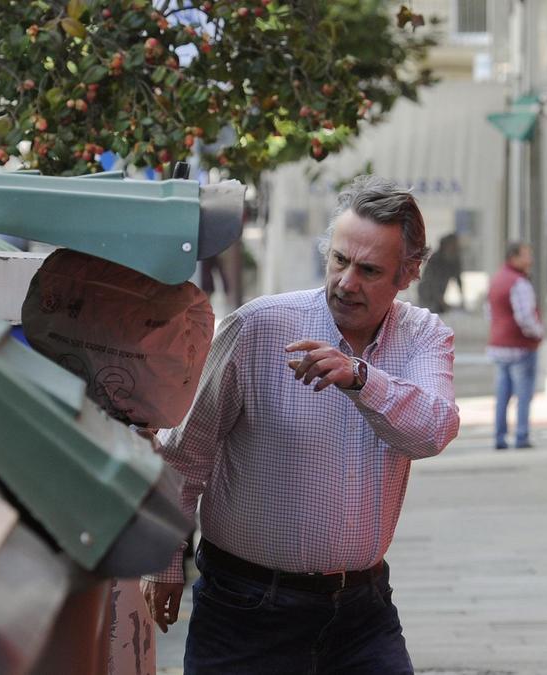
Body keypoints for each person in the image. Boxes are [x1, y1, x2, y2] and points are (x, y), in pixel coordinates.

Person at [140, 175, 460, 674]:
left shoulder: (423, 336)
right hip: (245, 608)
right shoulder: (259, 327)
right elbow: (185, 453)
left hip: (361, 611)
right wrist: (162, 561)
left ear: (409, 272)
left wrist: (360, 379)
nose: (346, 282)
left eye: (370, 270)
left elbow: (432, 431)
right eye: (339, 260)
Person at [487, 242, 544, 450]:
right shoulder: (518, 283)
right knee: (523, 394)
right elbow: (525, 317)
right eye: (526, 255)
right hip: (519, 346)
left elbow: (490, 312)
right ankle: (521, 435)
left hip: (499, 346)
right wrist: (539, 334)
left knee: (502, 394)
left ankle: (499, 437)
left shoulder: (497, 279)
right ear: (514, 257)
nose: (531, 259)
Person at [417, 231, 464, 313]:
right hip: (427, 293)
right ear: (445, 245)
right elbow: (430, 281)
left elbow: (458, 279)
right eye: (452, 245)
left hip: (440, 294)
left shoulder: (455, 260)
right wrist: (441, 301)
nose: (455, 248)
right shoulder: (435, 259)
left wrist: (462, 299)